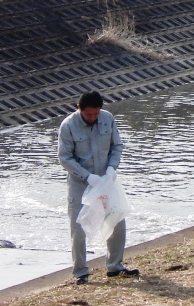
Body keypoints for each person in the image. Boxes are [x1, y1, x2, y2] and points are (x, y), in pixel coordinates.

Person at [58, 91, 139, 285]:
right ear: (80, 109)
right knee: (78, 227)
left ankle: (115, 266)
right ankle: (80, 272)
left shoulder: (107, 119)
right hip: (80, 183)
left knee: (117, 220)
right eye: (89, 115)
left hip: (106, 179)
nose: (93, 118)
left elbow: (116, 146)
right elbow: (64, 157)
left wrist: (112, 168)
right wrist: (87, 177)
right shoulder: (68, 125)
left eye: (96, 114)